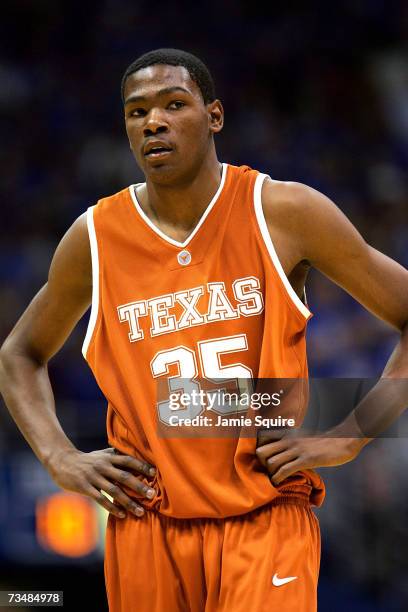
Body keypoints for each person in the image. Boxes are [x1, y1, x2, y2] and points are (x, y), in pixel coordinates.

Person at [0, 48, 407, 612]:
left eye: (173, 104)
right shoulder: (94, 238)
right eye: (136, 112)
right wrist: (59, 458)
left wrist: (352, 431)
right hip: (147, 523)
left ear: (214, 116)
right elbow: (19, 353)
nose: (154, 122)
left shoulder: (283, 212)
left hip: (264, 519)